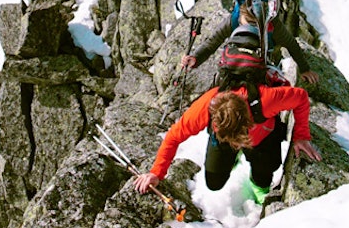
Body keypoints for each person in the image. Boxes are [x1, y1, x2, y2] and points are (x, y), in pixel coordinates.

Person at [134, 78, 321, 203]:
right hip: (227, 139)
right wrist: (156, 173)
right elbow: (173, 136)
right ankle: (232, 159)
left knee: (265, 173)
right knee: (214, 183)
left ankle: (258, 187)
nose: (237, 143)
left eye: (239, 139)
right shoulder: (204, 108)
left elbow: (301, 97)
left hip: (262, 137)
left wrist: (301, 136)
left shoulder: (266, 100)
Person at [183, 0, 321, 86]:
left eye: (255, 24)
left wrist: (304, 69)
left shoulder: (271, 23)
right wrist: (196, 58)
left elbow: (291, 43)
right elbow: (212, 43)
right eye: (248, 23)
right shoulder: (233, 19)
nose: (250, 27)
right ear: (241, 16)